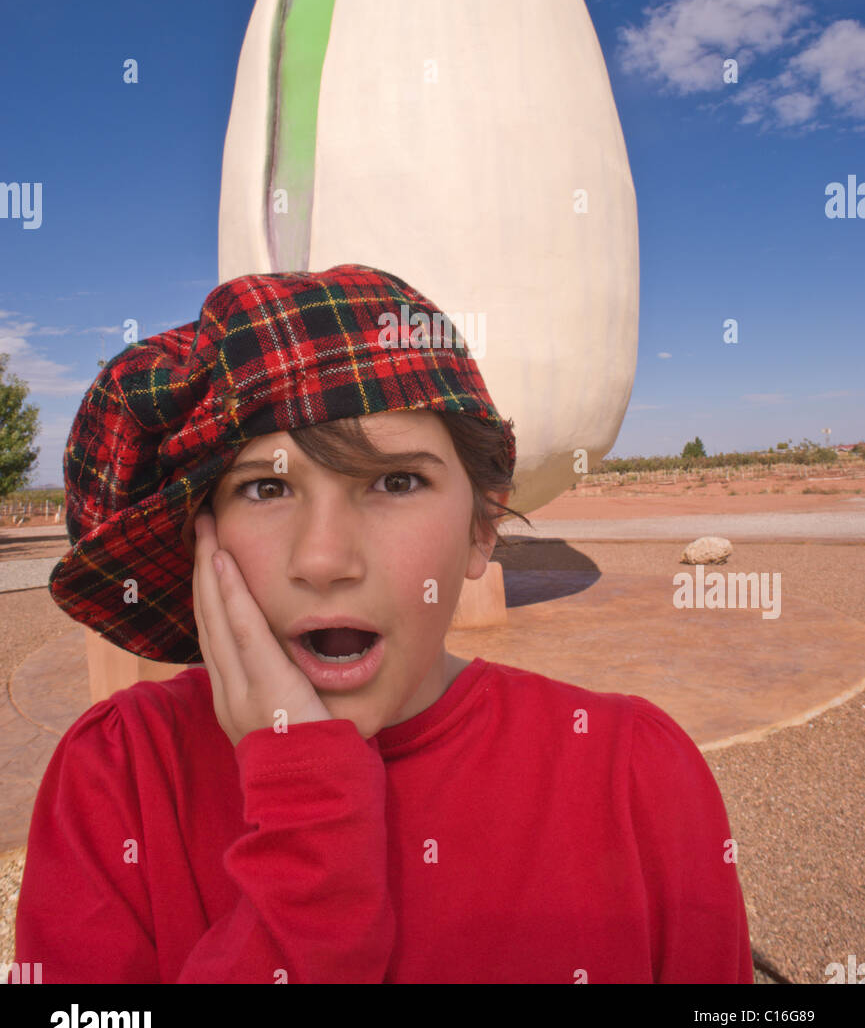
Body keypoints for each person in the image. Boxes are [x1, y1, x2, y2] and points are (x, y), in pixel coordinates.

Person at [12, 265, 753, 983]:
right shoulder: (120, 775)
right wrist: (309, 846)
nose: (325, 558)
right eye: (266, 487)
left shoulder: (634, 775)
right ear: (203, 535)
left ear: (480, 528)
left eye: (396, 482)